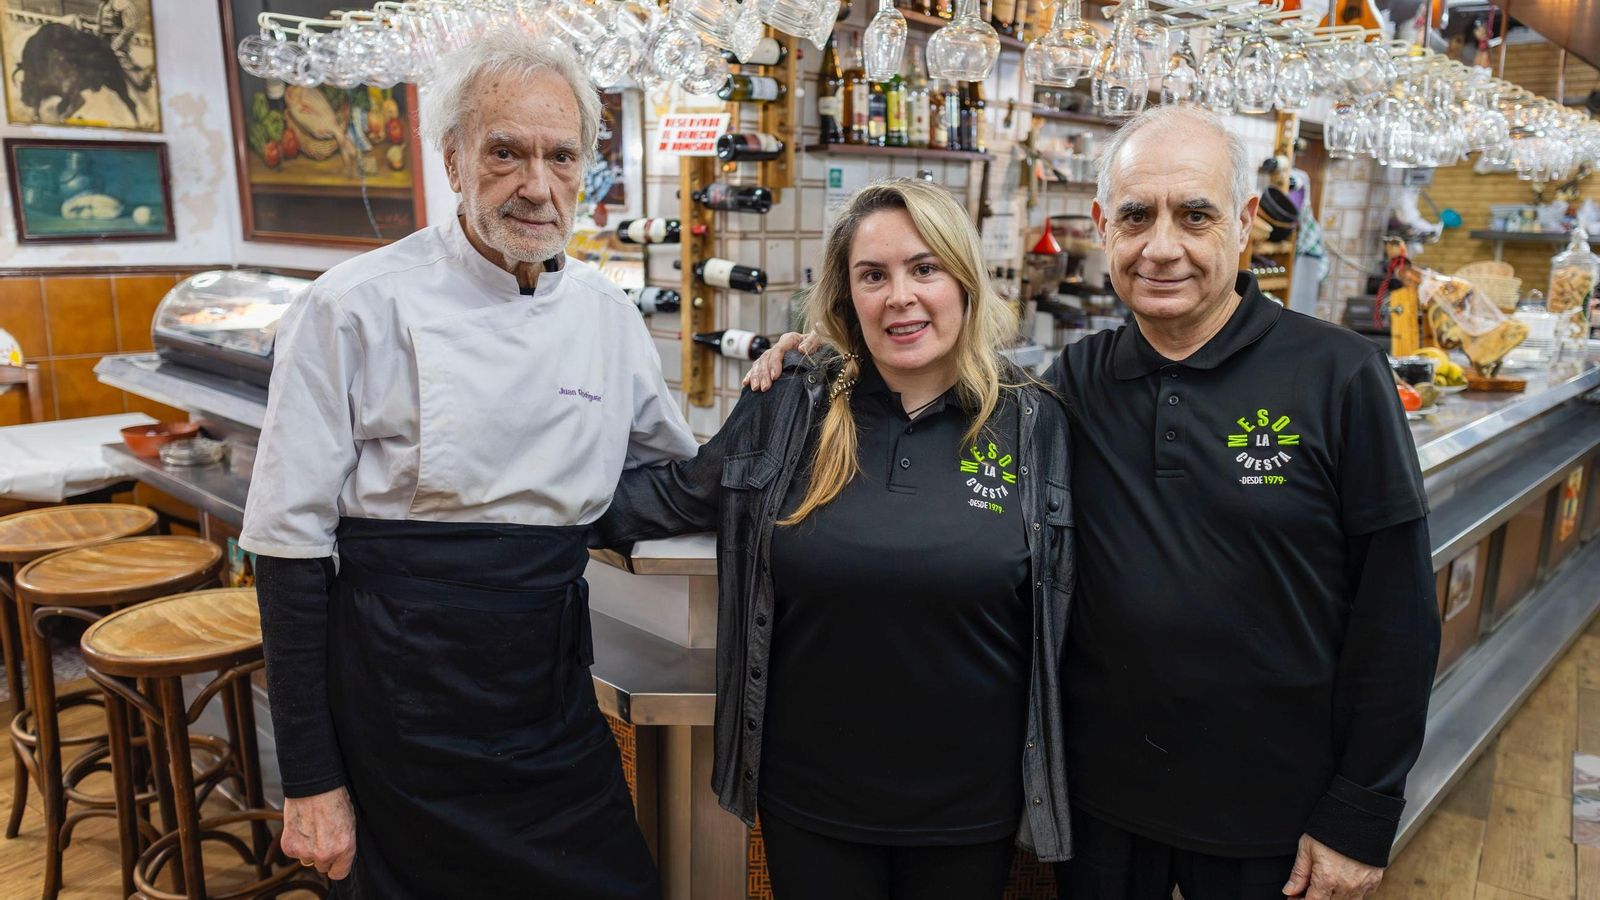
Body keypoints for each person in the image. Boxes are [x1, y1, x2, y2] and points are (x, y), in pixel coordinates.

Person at [747, 106, 1440, 900]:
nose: (1162, 247)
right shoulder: (1069, 386)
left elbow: (1397, 612)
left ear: (1246, 221)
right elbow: (939, 401)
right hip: (1100, 812)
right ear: (1104, 225)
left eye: (1196, 215)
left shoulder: (1339, 375)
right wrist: (827, 354)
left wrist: (1362, 809)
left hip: (1274, 816)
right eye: (1137, 217)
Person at [237, 32, 695, 899]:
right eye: (505, 152)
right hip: (398, 705)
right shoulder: (352, 307)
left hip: (550, 697)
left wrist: (783, 410)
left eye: (562, 156)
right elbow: (287, 552)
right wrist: (311, 780)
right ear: (453, 159)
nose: (537, 185)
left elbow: (655, 481)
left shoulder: (607, 317)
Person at [593, 179, 1075, 899]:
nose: (900, 297)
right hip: (811, 799)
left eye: (924, 268)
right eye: (873, 276)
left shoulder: (1033, 422)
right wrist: (507, 505)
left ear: (964, 280)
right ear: (847, 297)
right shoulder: (793, 404)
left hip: (972, 807)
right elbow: (675, 495)